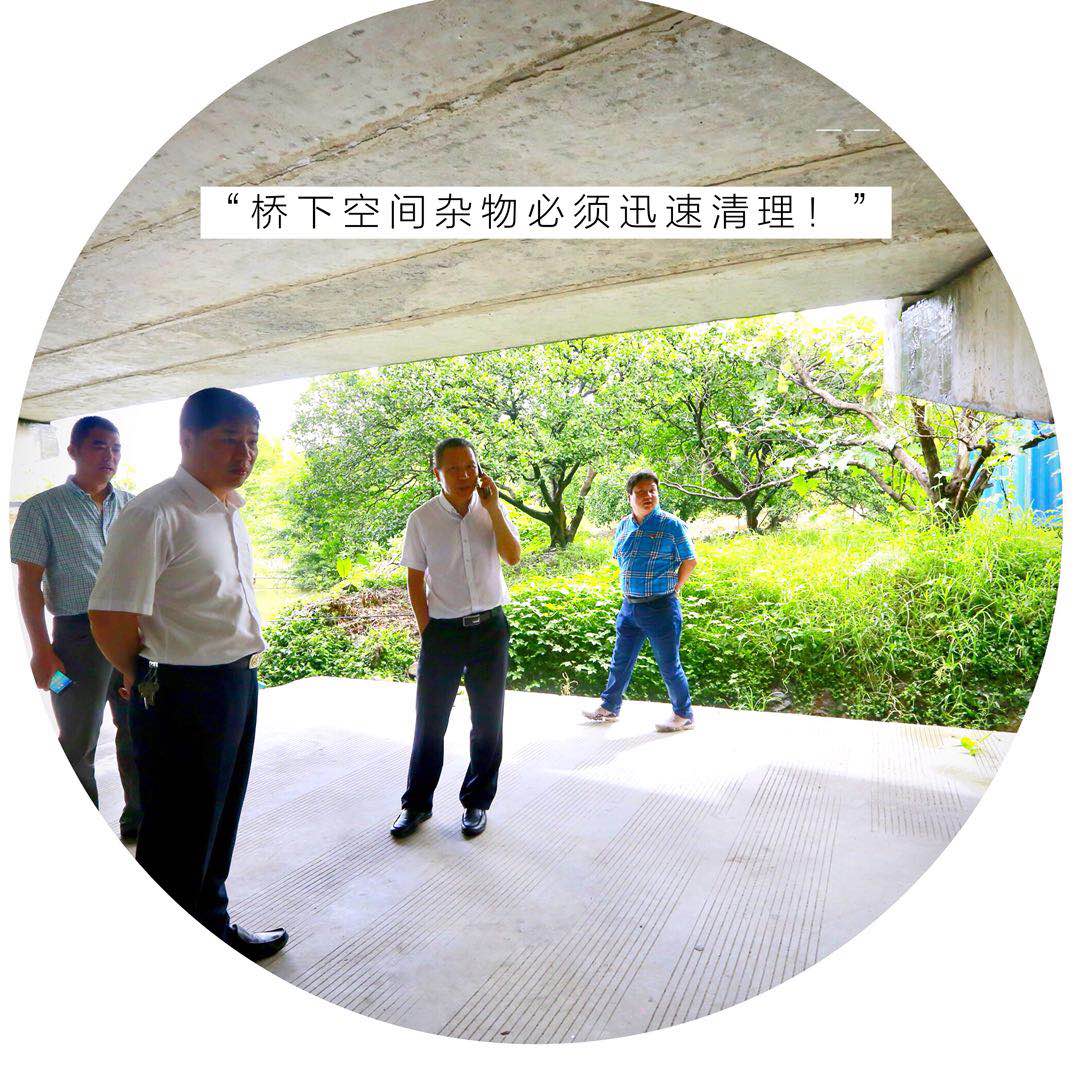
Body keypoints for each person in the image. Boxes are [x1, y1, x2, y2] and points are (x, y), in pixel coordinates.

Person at [88, 387, 287, 962]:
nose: (244, 454)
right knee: (177, 831)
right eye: (229, 439)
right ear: (187, 439)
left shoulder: (228, 510)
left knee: (217, 817)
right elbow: (109, 615)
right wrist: (143, 675)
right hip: (182, 691)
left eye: (251, 441)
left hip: (236, 683)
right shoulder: (155, 513)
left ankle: (213, 925)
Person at [11, 415, 142, 839]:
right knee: (77, 741)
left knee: (137, 731)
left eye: (116, 448)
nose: (110, 456)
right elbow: (28, 585)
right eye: (99, 446)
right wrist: (42, 651)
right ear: (73, 451)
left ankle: (139, 821)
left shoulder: (133, 506)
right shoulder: (41, 509)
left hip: (132, 633)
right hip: (75, 639)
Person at [391, 437, 521, 840]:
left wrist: (494, 509)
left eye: (470, 466)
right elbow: (414, 578)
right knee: (430, 722)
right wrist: (426, 629)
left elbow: (513, 556)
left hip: (490, 629)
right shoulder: (422, 519)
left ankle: (477, 802)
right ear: (438, 473)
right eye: (454, 468)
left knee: (488, 722)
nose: (465, 475)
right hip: (443, 633)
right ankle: (416, 804)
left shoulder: (491, 509)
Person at [582, 469, 698, 732]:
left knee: (669, 664)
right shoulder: (624, 525)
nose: (648, 496)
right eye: (641, 492)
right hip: (629, 606)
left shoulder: (671, 524)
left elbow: (690, 560)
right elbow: (621, 559)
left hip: (661, 607)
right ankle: (609, 707)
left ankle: (684, 715)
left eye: (652, 491)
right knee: (620, 660)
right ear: (630, 497)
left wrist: (676, 586)